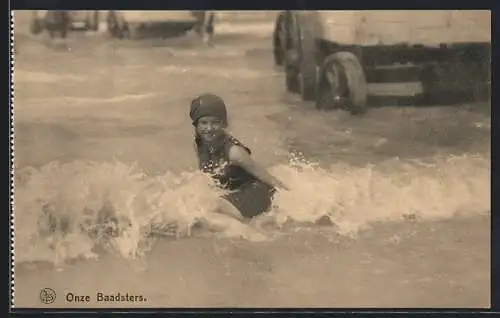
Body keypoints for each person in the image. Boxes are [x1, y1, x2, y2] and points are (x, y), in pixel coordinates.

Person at [189, 93, 289, 239]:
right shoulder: (199, 143)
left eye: (215, 122)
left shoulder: (234, 152)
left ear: (224, 123)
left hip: (256, 193)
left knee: (207, 211)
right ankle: (248, 231)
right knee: (195, 207)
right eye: (203, 123)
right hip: (235, 193)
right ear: (196, 124)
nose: (209, 128)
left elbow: (265, 177)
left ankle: (253, 237)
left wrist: (292, 197)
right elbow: (208, 176)